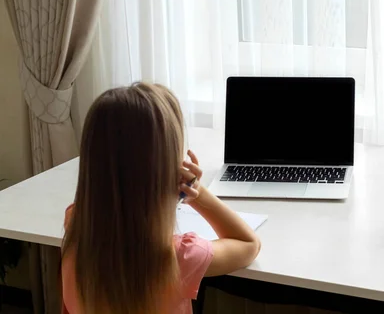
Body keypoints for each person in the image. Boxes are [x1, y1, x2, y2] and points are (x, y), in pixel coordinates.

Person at [61, 82, 261, 314]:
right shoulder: (177, 258)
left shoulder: (75, 224)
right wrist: (195, 191)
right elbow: (249, 244)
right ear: (166, 171)